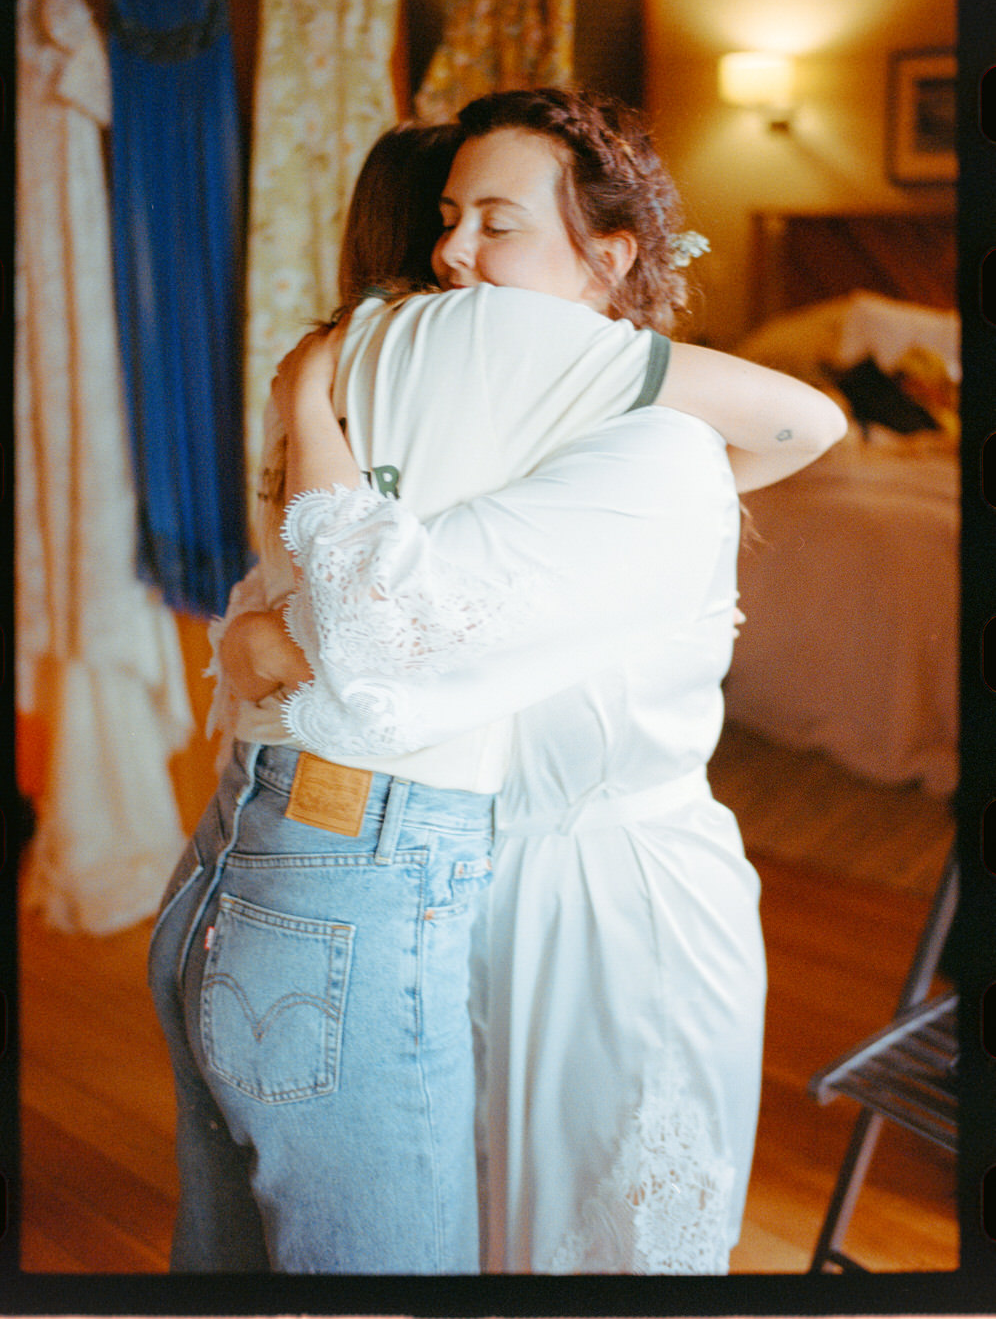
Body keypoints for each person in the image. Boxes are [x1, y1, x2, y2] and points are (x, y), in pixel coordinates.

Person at [154, 94, 845, 1274]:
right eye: (446, 219)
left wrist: (274, 612)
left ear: (609, 258)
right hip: (461, 876)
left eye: (497, 223)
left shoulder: (650, 452)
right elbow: (324, 596)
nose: (451, 256)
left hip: (601, 913)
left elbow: (376, 633)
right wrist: (259, 635)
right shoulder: (488, 427)